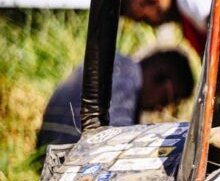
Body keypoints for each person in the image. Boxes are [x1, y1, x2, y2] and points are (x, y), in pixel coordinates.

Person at [36, 49, 195, 149]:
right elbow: (117, 143)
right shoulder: (125, 79)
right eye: (167, 99)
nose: (159, 108)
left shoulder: (117, 63)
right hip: (64, 158)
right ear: (160, 77)